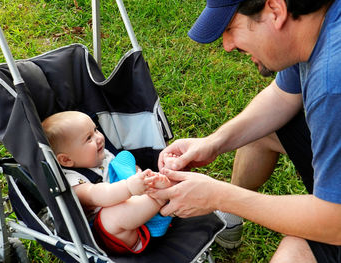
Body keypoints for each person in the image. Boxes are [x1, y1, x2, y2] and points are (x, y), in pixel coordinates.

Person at [149, 0, 341, 262]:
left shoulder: (332, 85)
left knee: (292, 255)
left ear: (276, 10)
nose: (227, 46)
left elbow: (334, 222)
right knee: (263, 128)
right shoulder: (315, 23)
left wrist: (219, 196)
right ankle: (230, 221)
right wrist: (214, 142)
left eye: (231, 28)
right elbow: (282, 97)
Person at [41, 111, 172, 254]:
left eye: (96, 129)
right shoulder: (73, 181)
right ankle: (160, 199)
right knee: (109, 217)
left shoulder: (103, 156)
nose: (99, 138)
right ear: (66, 160)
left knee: (126, 162)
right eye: (89, 138)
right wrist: (130, 186)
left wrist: (139, 177)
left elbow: (125, 172)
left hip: (138, 209)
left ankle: (159, 191)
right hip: (118, 235)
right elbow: (99, 194)